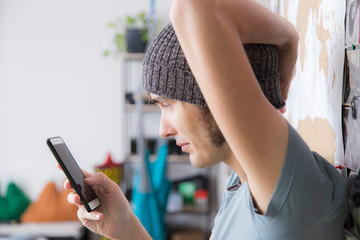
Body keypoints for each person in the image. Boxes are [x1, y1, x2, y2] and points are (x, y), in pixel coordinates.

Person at [65, 0, 348, 239]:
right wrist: (126, 226)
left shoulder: (278, 187)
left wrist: (289, 39)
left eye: (169, 103)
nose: (163, 130)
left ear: (215, 96)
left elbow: (193, 7)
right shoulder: (243, 183)